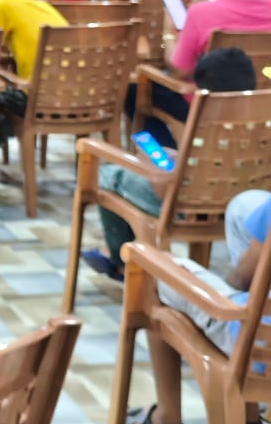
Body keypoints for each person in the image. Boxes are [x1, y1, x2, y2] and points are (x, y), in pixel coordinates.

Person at [127, 173, 271, 424]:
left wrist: (225, 297)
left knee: (156, 273)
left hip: (254, 335)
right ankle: (249, 422)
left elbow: (244, 275)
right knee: (244, 206)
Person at [82, 47, 257, 284]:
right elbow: (212, 163)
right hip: (232, 208)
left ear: (200, 90)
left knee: (108, 175)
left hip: (185, 209)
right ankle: (123, 258)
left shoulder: (205, 125)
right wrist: (178, 156)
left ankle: (120, 261)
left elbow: (164, 189)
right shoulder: (260, 124)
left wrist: (152, 165)